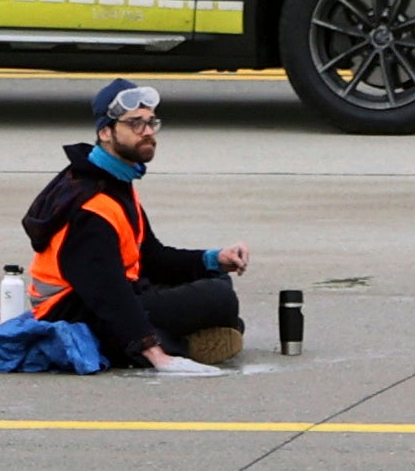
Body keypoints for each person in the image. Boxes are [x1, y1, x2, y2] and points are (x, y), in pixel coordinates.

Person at [23, 80, 251, 373]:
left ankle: (182, 338)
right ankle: (174, 346)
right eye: (135, 124)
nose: (147, 133)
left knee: (218, 282)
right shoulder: (92, 205)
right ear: (105, 132)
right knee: (219, 299)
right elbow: (107, 294)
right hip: (73, 313)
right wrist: (157, 356)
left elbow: (151, 257)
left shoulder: (115, 181)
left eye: (151, 123)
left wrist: (215, 259)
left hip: (114, 294)